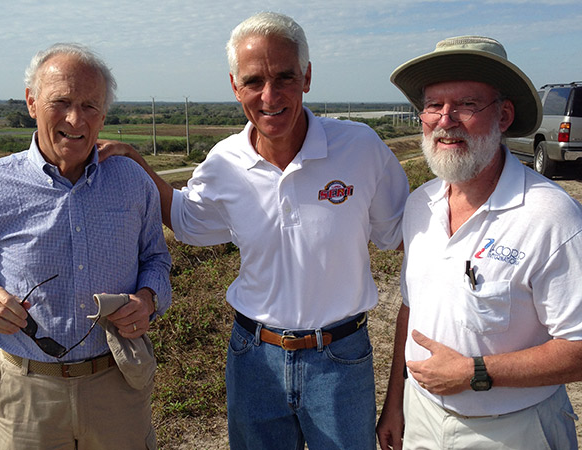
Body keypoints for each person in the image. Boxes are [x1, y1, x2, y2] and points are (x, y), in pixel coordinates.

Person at [99, 11, 409, 450]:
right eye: (253, 82)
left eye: (284, 77)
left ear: (307, 76)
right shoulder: (225, 161)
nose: (269, 95)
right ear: (233, 86)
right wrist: (137, 161)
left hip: (340, 359)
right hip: (254, 359)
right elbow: (187, 221)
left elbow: (402, 236)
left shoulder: (360, 148)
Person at [376, 35, 582, 450]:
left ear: (504, 115)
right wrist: (394, 403)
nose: (445, 120)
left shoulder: (550, 216)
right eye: (433, 105)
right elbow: (411, 308)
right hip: (420, 417)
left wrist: (476, 371)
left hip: (512, 430)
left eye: (467, 105)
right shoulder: (420, 205)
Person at [0, 43, 172, 449]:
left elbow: (156, 259)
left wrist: (148, 298)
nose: (75, 118)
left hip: (116, 385)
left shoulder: (132, 181)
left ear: (104, 114)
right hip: (27, 394)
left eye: (89, 105)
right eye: (61, 102)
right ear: (32, 102)